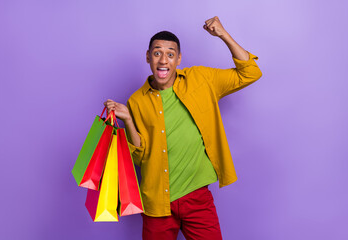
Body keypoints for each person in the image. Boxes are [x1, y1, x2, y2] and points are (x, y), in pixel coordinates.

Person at [104, 16, 262, 240]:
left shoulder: (200, 79)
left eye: (170, 54)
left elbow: (250, 72)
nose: (163, 60)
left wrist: (223, 35)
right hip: (156, 204)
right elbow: (140, 157)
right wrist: (128, 120)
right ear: (148, 56)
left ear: (179, 59)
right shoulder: (136, 101)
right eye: (157, 53)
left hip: (197, 198)